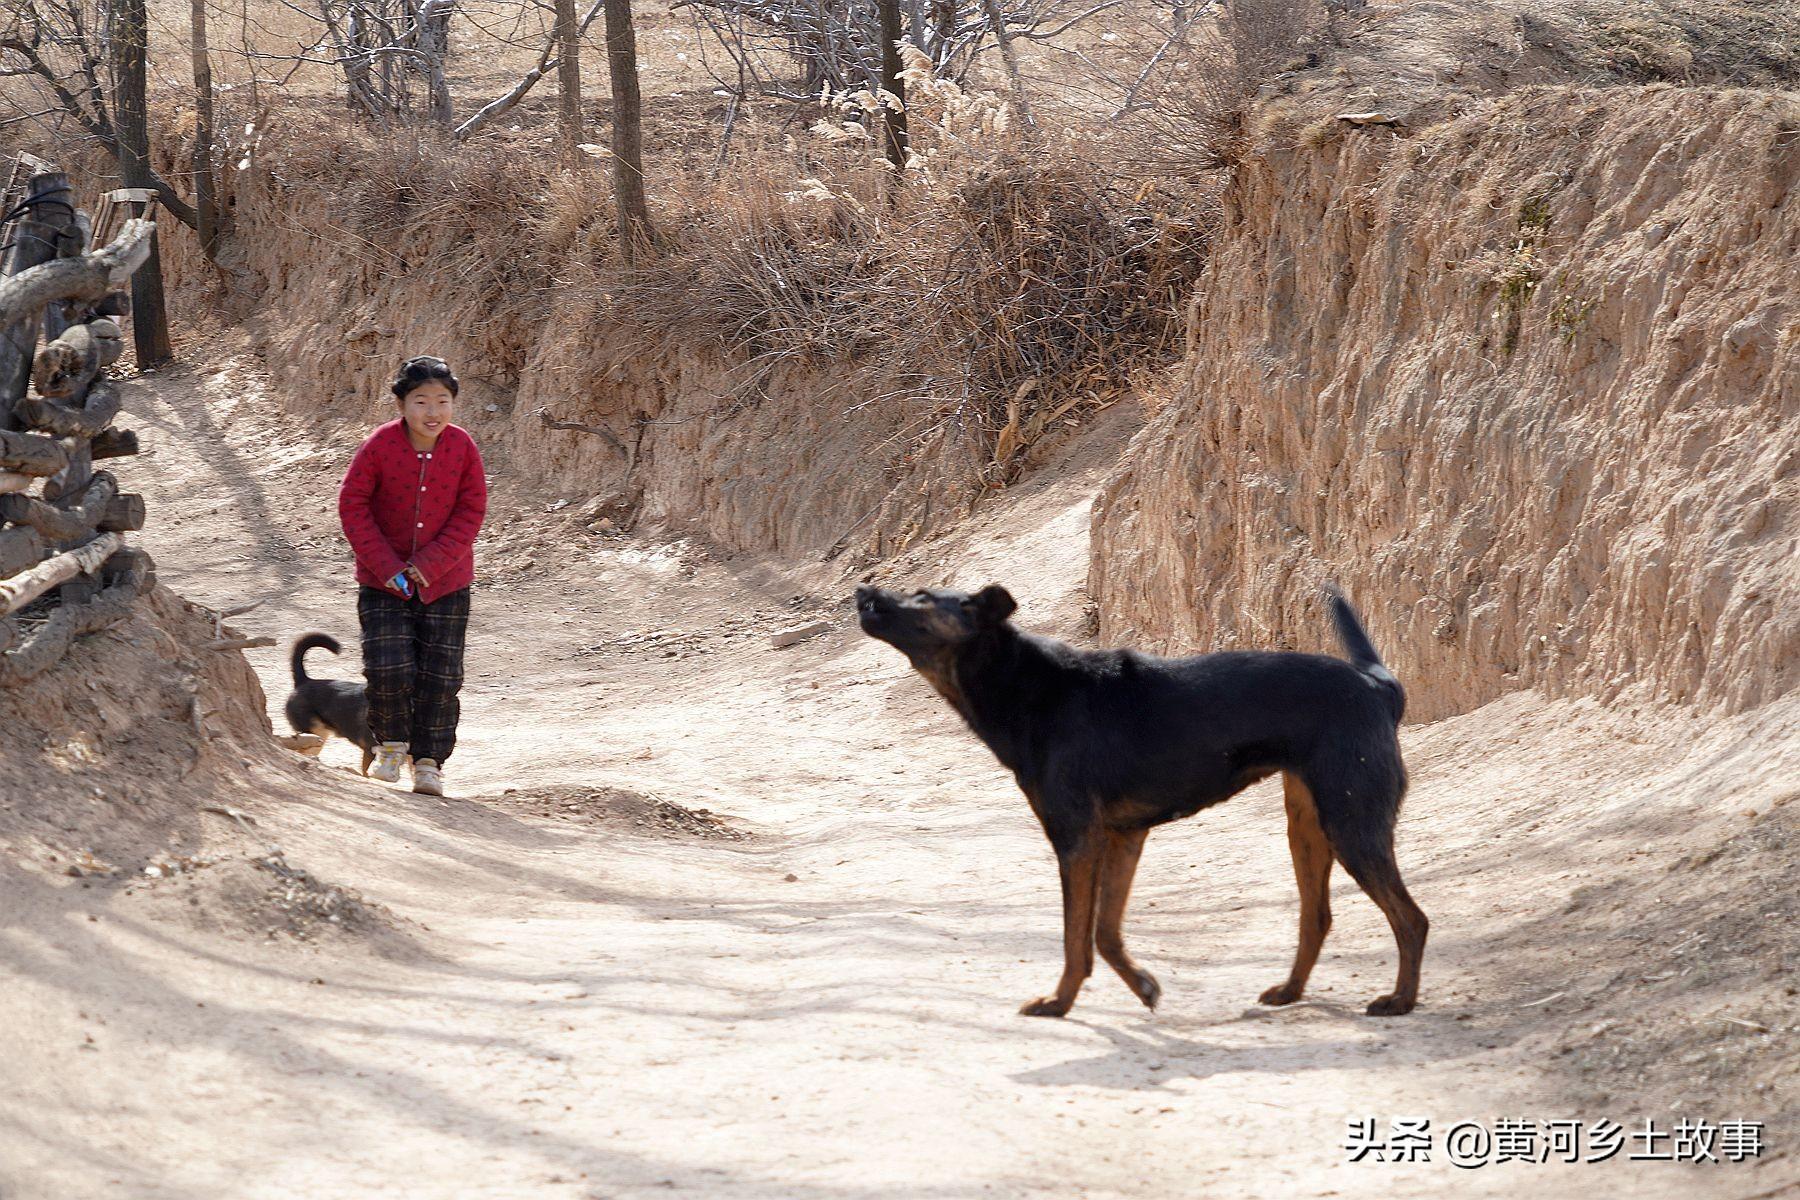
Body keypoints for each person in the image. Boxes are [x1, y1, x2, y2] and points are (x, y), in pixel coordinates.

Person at [337, 355, 487, 796]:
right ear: (402, 404)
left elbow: (471, 511)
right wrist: (388, 568)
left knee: (440, 678)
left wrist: (430, 565)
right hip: (383, 583)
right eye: (421, 401)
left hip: (447, 584)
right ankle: (389, 747)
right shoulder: (380, 446)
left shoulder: (463, 448)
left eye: (443, 401)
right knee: (388, 668)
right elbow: (354, 506)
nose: (433, 412)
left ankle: (428, 762)